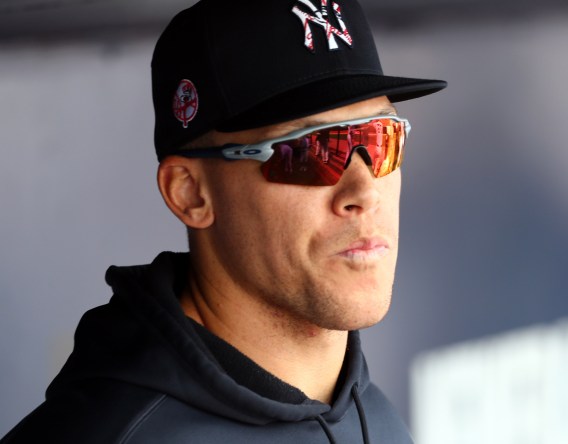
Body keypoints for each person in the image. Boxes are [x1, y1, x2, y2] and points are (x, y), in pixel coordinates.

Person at [0, 0, 445, 443]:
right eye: (310, 153)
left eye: (381, 140)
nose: (364, 192)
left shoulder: (374, 414)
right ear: (190, 192)